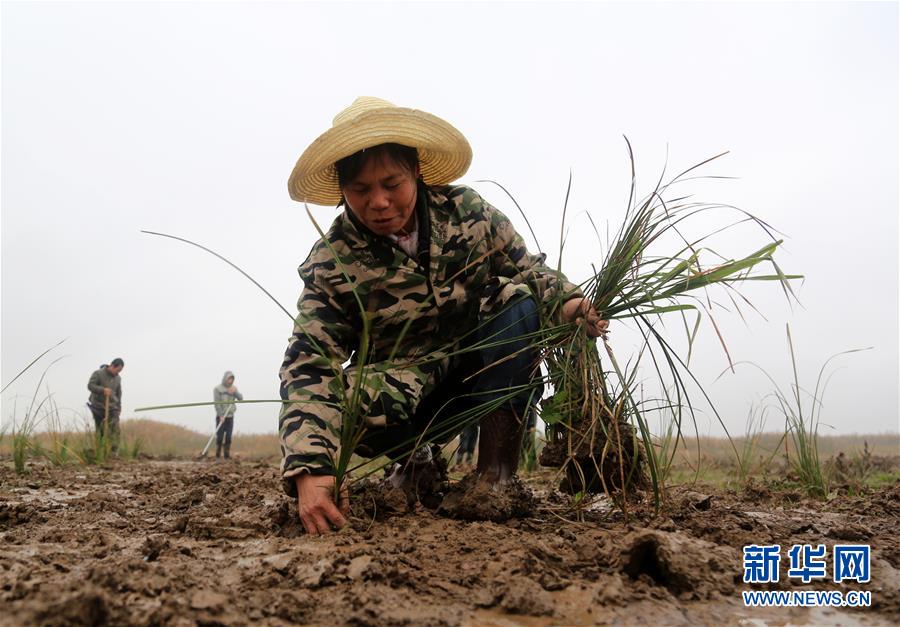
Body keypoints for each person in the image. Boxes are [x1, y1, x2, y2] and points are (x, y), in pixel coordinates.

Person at [278, 97, 609, 535]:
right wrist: (311, 469)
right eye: (360, 190)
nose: (379, 202)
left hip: (476, 372)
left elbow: (528, 271)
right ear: (342, 191)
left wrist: (567, 301)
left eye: (392, 184)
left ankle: (496, 477)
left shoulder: (467, 212)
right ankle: (415, 461)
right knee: (346, 395)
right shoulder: (332, 261)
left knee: (518, 302)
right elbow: (309, 362)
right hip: (397, 397)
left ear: (416, 171)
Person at [87, 358, 124, 453]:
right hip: (98, 405)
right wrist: (102, 390)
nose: (117, 373)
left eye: (119, 371)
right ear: (112, 366)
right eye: (117, 370)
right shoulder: (98, 373)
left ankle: (114, 451)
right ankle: (100, 451)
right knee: (100, 429)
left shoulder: (118, 378)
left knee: (115, 428)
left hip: (112, 406)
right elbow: (90, 386)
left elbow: (119, 393)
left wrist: (119, 407)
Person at [213, 371, 243, 459]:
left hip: (230, 416)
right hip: (221, 416)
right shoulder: (218, 389)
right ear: (225, 379)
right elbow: (217, 403)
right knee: (220, 436)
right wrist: (220, 415)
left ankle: (226, 455)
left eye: (232, 379)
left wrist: (235, 392)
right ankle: (218, 455)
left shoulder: (233, 388)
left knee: (228, 436)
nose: (230, 381)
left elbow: (240, 398)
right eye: (229, 379)